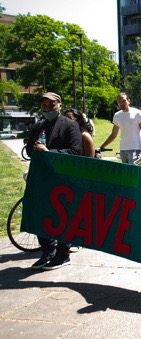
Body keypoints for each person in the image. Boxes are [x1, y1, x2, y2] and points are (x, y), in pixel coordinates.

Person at [26, 92, 82, 270]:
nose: (48, 108)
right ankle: (48, 252)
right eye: (44, 105)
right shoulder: (39, 125)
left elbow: (75, 151)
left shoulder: (70, 125)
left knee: (62, 216)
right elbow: (29, 149)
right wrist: (34, 148)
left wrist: (49, 152)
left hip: (63, 179)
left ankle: (63, 254)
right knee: (42, 214)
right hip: (43, 178)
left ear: (60, 105)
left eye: (52, 105)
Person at [100, 92, 141, 164]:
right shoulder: (117, 115)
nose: (122, 103)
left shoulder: (137, 113)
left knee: (134, 170)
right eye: (119, 101)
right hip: (123, 150)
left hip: (135, 149)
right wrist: (102, 147)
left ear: (129, 101)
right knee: (126, 171)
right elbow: (113, 135)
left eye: (124, 101)